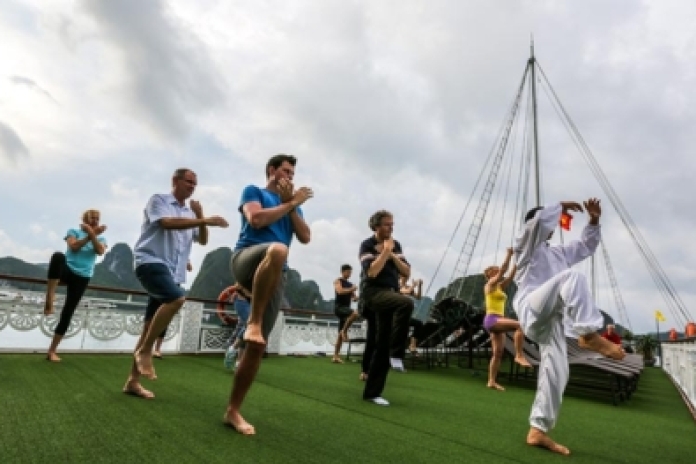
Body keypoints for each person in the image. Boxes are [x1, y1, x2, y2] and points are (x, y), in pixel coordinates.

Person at [513, 198, 625, 456]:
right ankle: (588, 334)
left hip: (550, 321)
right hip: (532, 309)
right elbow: (538, 223)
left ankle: (537, 430)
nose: (552, 225)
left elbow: (586, 246)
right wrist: (559, 205)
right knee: (573, 278)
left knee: (557, 371)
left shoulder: (558, 253)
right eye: (549, 220)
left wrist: (594, 221)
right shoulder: (525, 248)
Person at [224, 154, 312, 435]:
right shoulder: (254, 191)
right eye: (285, 171)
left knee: (257, 347)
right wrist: (291, 203)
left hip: (276, 272)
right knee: (278, 248)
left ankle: (233, 411)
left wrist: (294, 208)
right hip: (246, 257)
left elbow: (306, 237)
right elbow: (257, 220)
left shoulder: (293, 208)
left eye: (293, 173)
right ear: (272, 171)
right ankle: (252, 321)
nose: (290, 177)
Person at [123, 168, 229, 399]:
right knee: (177, 298)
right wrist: (204, 219)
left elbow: (202, 239)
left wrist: (200, 216)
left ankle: (132, 381)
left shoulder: (190, 214)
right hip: (150, 261)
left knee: (149, 325)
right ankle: (145, 351)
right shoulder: (159, 200)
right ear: (175, 181)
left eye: (195, 184)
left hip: (171, 272)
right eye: (188, 182)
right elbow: (166, 223)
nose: (192, 187)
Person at [359, 210, 413, 406]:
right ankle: (397, 353)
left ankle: (372, 393)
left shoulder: (395, 245)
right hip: (373, 293)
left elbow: (406, 271)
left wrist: (392, 254)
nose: (391, 227)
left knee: (381, 345)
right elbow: (372, 272)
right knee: (406, 302)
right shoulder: (367, 245)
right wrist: (385, 252)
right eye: (387, 224)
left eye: (392, 224)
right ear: (376, 226)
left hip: (390, 293)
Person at [43, 209, 107, 362]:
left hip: (82, 277)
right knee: (58, 256)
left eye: (97, 219)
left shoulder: (101, 238)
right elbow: (73, 247)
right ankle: (49, 298)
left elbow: (99, 251)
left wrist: (92, 234)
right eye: (92, 218)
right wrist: (90, 234)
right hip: (67, 270)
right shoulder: (73, 231)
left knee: (68, 312)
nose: (95, 221)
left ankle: (52, 351)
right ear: (85, 219)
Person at [482, 247, 532, 391]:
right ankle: (519, 355)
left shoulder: (499, 287)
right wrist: (509, 254)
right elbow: (504, 270)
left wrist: (518, 260)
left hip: (499, 321)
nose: (498, 271)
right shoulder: (490, 285)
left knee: (498, 353)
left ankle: (491, 381)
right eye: (495, 270)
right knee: (520, 325)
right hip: (492, 320)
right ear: (490, 274)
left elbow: (510, 276)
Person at [153, 261, 192, 361]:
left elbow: (189, 267)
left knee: (165, 319)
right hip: (159, 278)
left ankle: (157, 349)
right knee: (152, 315)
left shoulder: (183, 251)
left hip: (174, 282)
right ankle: (146, 347)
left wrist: (186, 262)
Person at [217, 285, 251, 371]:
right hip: (242, 302)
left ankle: (238, 363)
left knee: (247, 329)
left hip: (249, 302)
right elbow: (241, 282)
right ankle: (232, 349)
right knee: (250, 325)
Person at [332, 264, 358, 364]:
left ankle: (335, 356)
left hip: (346, 310)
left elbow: (354, 298)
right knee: (355, 313)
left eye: (350, 272)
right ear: (343, 272)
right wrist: (352, 289)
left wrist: (358, 297)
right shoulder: (338, 281)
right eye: (348, 272)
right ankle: (345, 332)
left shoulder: (350, 284)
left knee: (339, 334)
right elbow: (340, 291)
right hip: (339, 308)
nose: (350, 274)